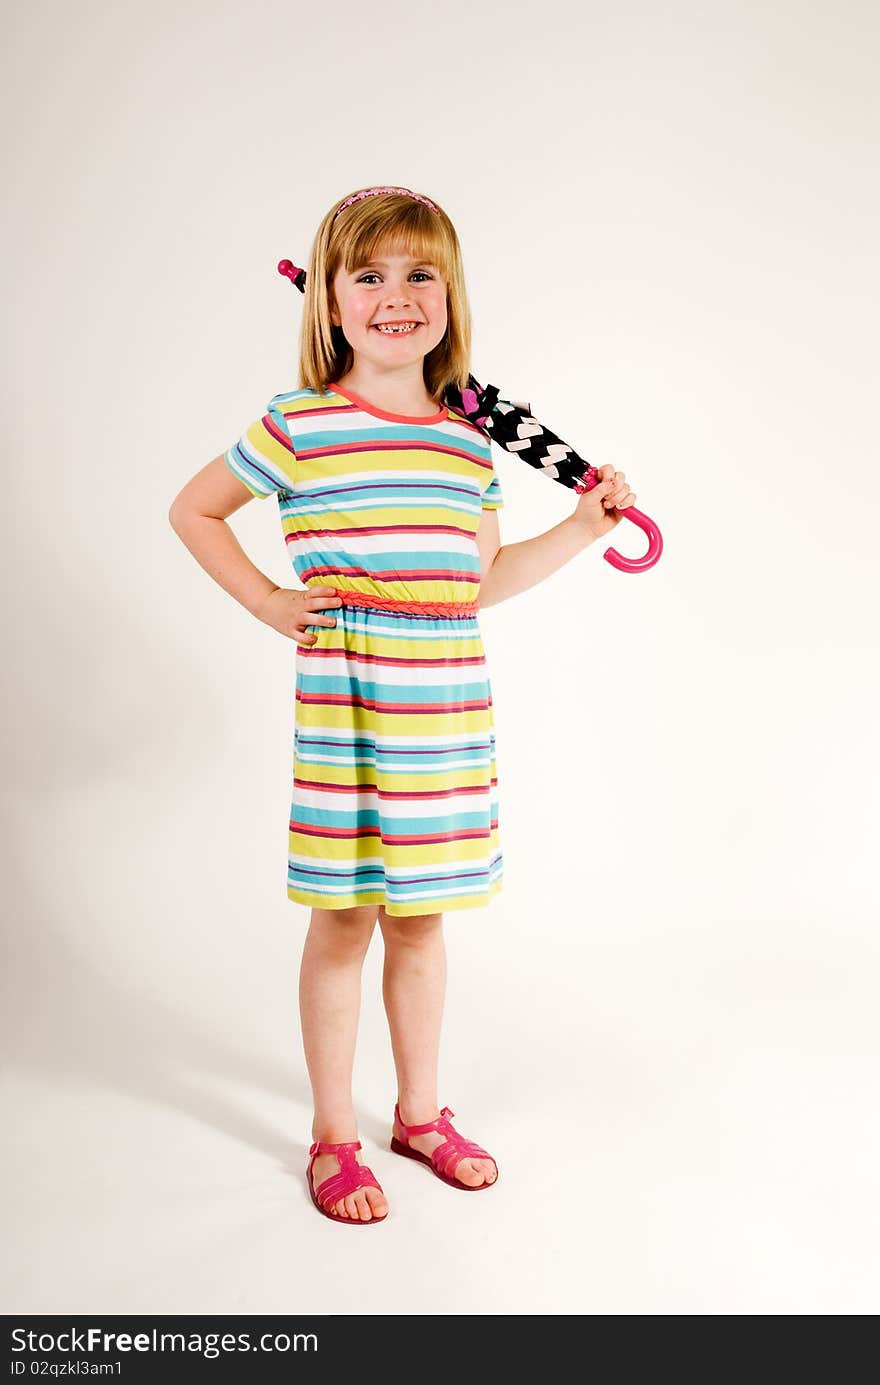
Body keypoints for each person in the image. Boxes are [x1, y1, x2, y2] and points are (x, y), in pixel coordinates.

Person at [168, 185, 636, 1225]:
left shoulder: (469, 444)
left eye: (419, 273)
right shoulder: (300, 425)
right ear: (328, 302)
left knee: (420, 921)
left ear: (450, 296)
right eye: (368, 275)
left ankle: (418, 1112)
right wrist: (268, 601)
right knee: (344, 919)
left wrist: (580, 528)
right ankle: (334, 1131)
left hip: (442, 716)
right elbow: (193, 508)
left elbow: (472, 583)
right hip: (348, 710)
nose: (395, 295)